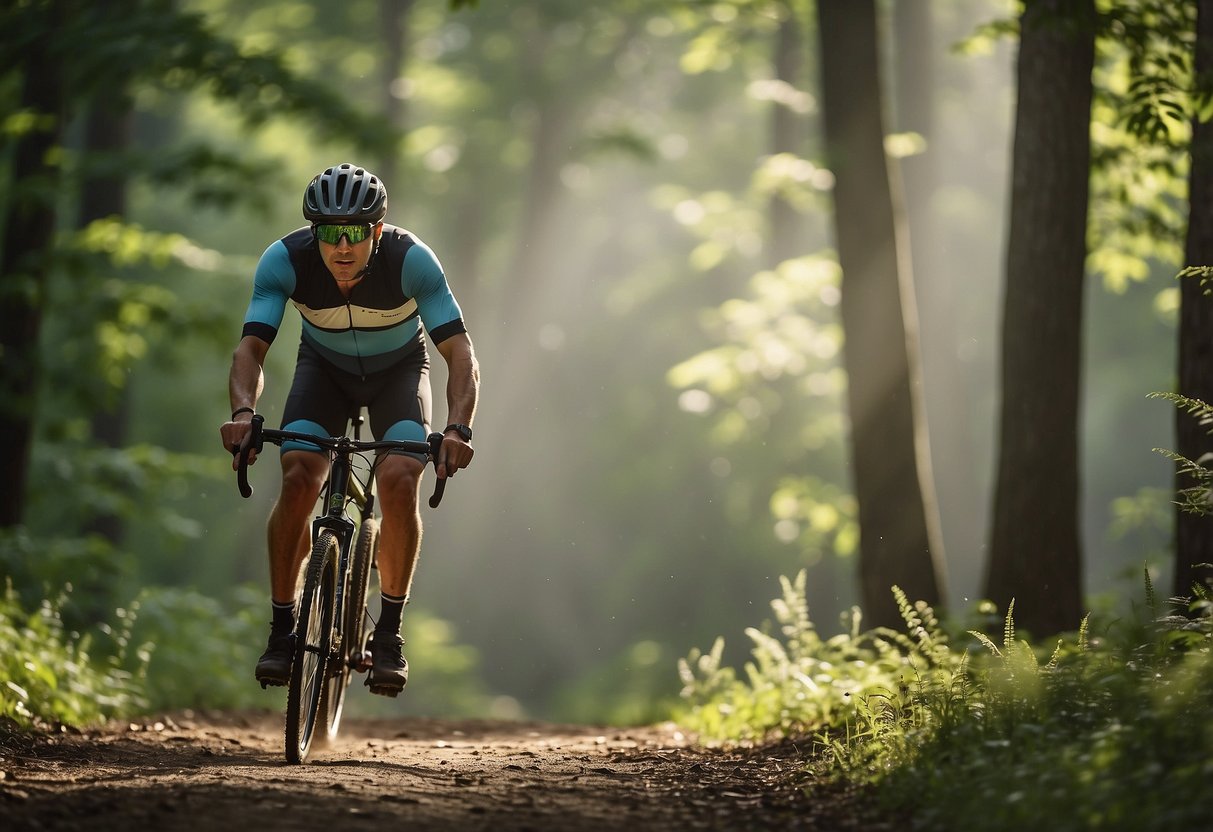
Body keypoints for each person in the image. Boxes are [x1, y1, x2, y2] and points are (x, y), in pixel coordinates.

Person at [219, 163, 479, 697]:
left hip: (399, 374)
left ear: (377, 232)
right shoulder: (285, 260)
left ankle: (388, 633)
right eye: (328, 232)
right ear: (312, 232)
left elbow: (460, 355)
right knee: (297, 476)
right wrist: (244, 413)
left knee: (401, 477)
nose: (341, 245)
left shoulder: (412, 261)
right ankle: (281, 629)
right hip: (324, 373)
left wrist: (458, 429)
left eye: (355, 232)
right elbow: (251, 349)